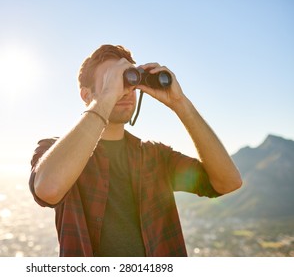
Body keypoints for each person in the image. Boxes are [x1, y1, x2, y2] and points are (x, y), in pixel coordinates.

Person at [29, 44, 242, 257]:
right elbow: (49, 189)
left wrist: (180, 103)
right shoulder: (53, 151)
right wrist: (106, 98)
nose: (124, 90)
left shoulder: (155, 156)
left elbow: (228, 182)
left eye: (128, 79)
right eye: (111, 80)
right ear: (86, 95)